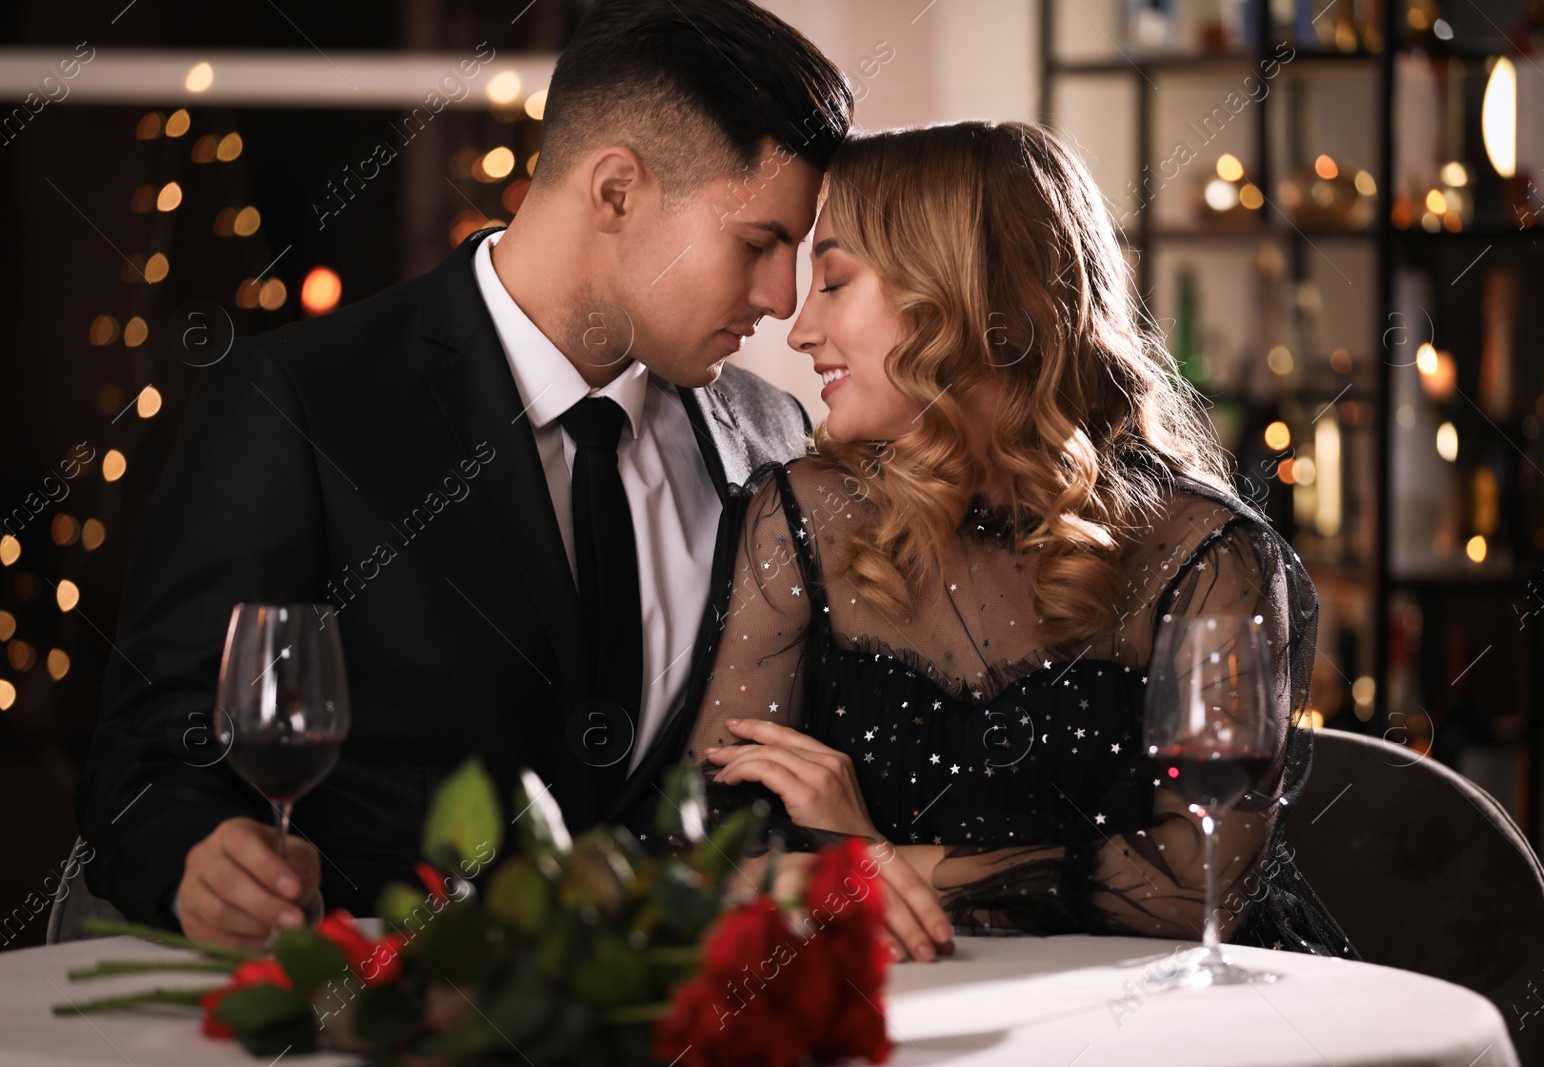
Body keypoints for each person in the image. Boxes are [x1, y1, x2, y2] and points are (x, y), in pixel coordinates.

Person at [75, 0, 853, 949]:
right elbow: (153, 749)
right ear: (615, 191)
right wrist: (197, 855)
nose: (781, 301)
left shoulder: (771, 433)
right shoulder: (300, 402)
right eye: (758, 243)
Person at [678, 121, 1360, 967]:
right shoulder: (803, 517)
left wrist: (872, 858)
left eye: (835, 282)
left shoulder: (1209, 553)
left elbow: (1197, 889)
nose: (798, 329)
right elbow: (706, 847)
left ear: (961, 297)